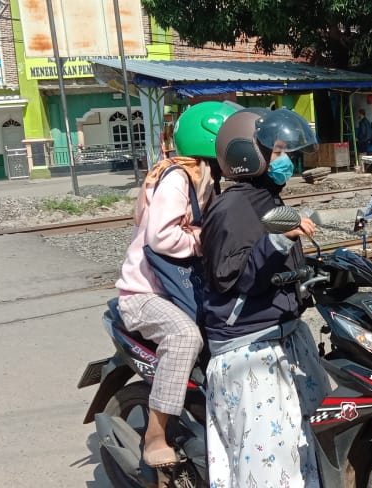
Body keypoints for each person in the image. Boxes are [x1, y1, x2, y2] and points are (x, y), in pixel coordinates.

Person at [201, 108, 330, 487]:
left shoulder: (270, 199)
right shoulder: (232, 207)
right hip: (248, 348)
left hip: (285, 334)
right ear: (246, 155)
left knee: (315, 439)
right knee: (270, 465)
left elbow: (282, 269)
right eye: (275, 153)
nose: (285, 160)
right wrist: (278, 239)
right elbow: (234, 278)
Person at [114, 100, 239, 468]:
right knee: (186, 336)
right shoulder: (179, 177)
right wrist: (206, 240)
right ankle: (155, 433)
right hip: (144, 295)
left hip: (177, 289)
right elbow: (162, 238)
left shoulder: (205, 177)